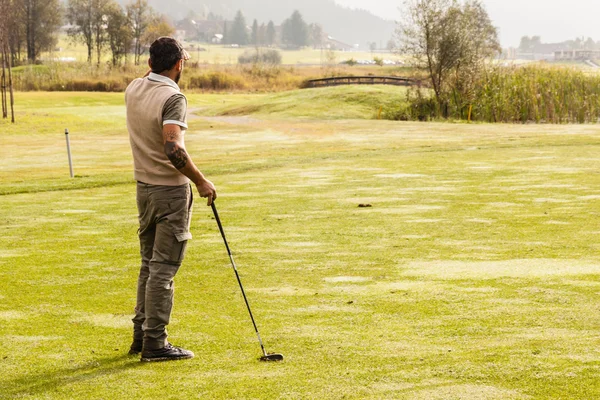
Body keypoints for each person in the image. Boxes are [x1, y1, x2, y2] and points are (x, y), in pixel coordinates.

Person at [125, 37, 217, 362]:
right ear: (178, 65)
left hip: (144, 189)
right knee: (163, 269)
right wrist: (202, 181)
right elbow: (173, 148)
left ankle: (140, 336)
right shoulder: (173, 97)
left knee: (148, 265)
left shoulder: (133, 88)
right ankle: (155, 344)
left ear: (150, 63)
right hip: (169, 192)